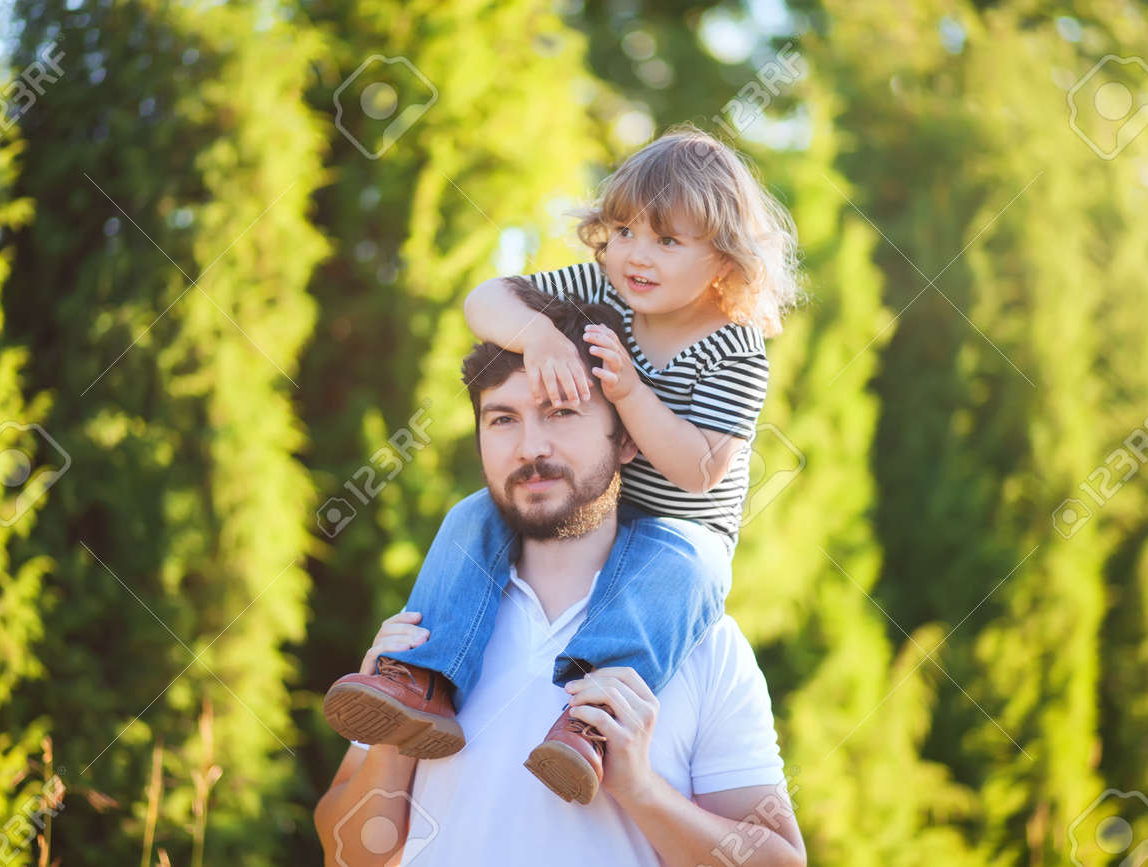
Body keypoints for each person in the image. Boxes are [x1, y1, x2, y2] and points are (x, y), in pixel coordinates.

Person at [324, 124, 803, 801]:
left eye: (667, 241)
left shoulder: (735, 348)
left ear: (725, 260)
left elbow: (699, 470)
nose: (637, 254)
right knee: (472, 517)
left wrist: (630, 393)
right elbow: (483, 300)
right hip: (593, 503)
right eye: (625, 231)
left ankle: (590, 723)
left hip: (683, 527)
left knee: (675, 581)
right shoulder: (601, 287)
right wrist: (542, 336)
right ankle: (424, 678)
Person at [314, 302, 805, 866]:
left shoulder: (704, 644)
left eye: (562, 411)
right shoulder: (430, 630)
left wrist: (639, 789)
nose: (530, 447)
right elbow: (347, 856)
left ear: (627, 438)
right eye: (503, 419)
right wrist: (393, 743)